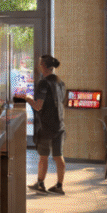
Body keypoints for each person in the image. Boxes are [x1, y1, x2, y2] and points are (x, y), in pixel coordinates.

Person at [25, 54, 67, 195]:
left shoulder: (44, 83)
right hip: (59, 124)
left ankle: (40, 183)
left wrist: (28, 98)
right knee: (58, 156)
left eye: (40, 63)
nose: (38, 66)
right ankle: (59, 186)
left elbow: (38, 106)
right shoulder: (60, 82)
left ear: (43, 66)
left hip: (46, 125)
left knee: (43, 156)